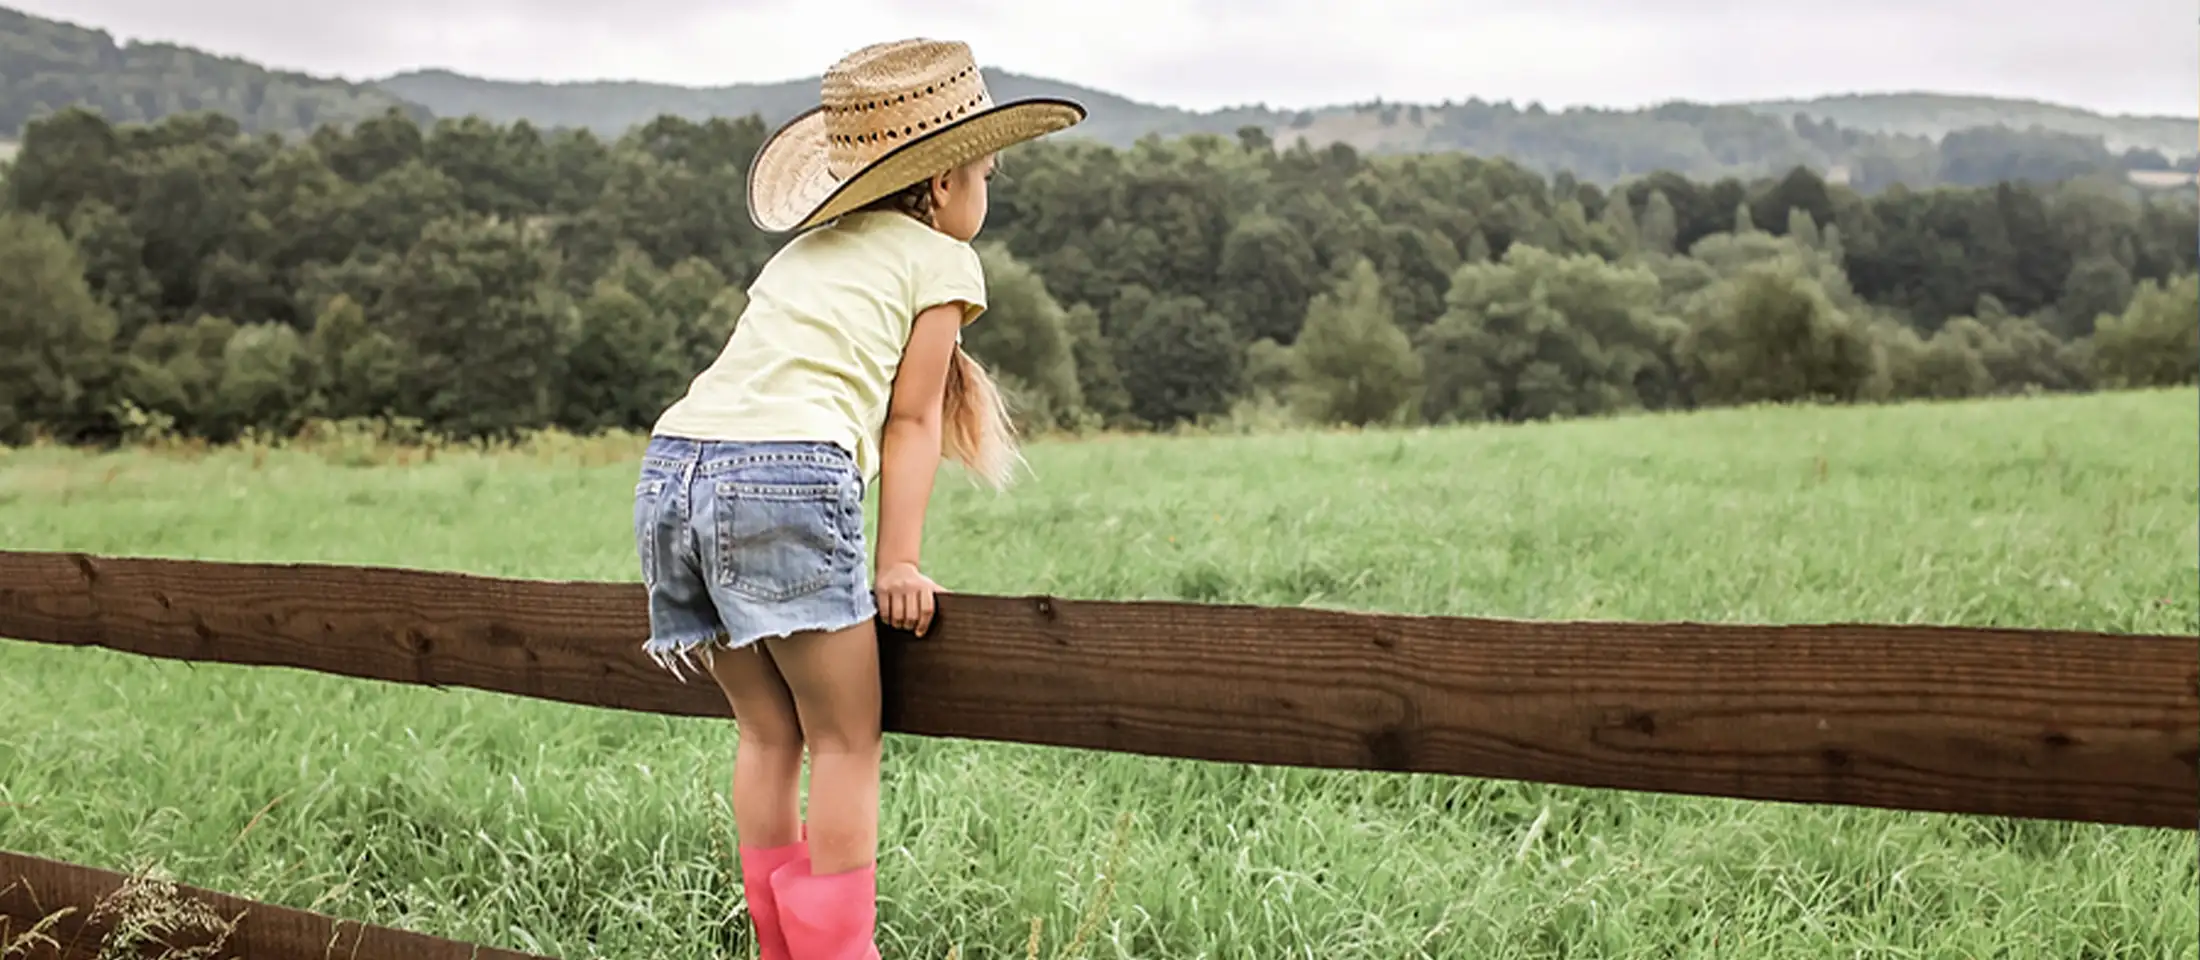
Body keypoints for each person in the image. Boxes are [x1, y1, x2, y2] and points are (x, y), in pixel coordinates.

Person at [630, 38, 1084, 960]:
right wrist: (899, 563)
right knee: (846, 743)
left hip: (672, 471)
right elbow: (911, 422)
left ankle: (778, 950)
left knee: (766, 734)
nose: (989, 193)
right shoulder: (941, 263)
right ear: (948, 181)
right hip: (782, 475)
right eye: (989, 173)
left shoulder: (806, 253)